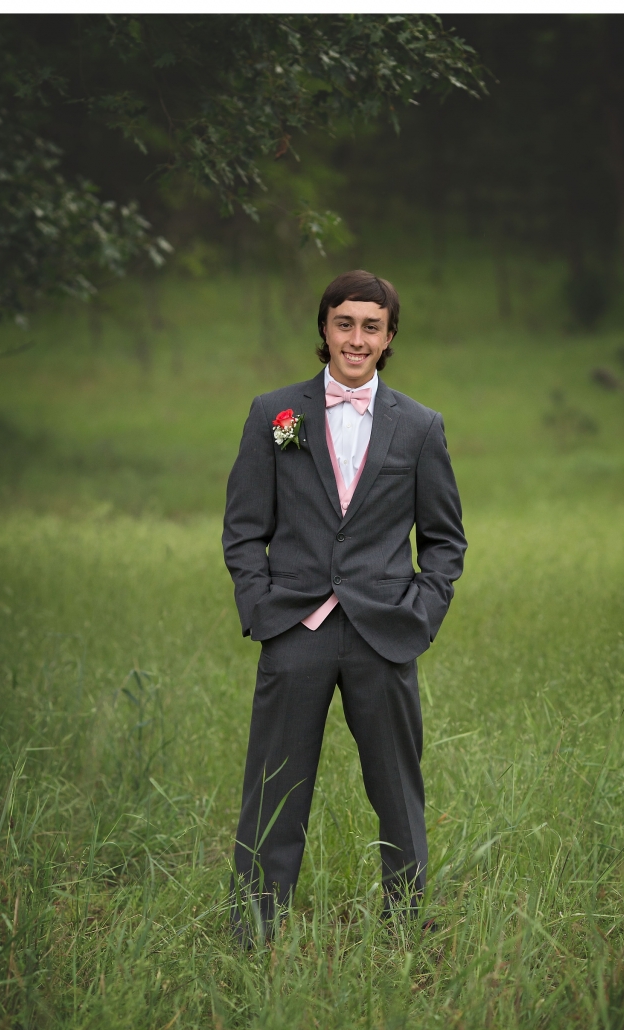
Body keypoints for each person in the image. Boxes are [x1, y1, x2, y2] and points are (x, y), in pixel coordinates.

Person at [222, 269, 467, 941]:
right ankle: (254, 929)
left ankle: (405, 925)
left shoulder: (420, 427)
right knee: (274, 786)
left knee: (397, 787)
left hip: (384, 632)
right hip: (295, 626)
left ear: (389, 338)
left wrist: (421, 610)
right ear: (324, 328)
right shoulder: (277, 415)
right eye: (344, 323)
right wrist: (260, 601)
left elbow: (444, 539)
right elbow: (244, 527)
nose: (356, 338)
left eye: (371, 326)